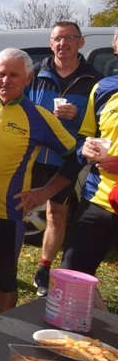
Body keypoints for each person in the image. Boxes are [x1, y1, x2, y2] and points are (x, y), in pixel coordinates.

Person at [0, 49, 79, 314]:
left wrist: (44, 193)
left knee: (5, 278)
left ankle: (1, 331)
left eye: (14, 75)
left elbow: (74, 158)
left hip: (8, 213)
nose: (6, 80)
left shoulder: (38, 117)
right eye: (1, 74)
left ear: (28, 78)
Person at [26, 21, 100, 296]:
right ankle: (0, 265)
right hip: (31, 155)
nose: (63, 43)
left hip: (66, 159)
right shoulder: (36, 73)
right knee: (15, 208)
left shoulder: (93, 79)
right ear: (51, 43)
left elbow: (98, 122)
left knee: (56, 214)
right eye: (58, 38)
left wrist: (77, 116)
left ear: (80, 43)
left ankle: (43, 269)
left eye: (69, 38)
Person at [62, 28, 118, 277]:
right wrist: (84, 148)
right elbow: (85, 136)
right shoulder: (104, 88)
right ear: (115, 49)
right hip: (97, 199)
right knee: (71, 275)